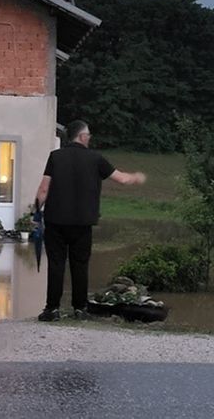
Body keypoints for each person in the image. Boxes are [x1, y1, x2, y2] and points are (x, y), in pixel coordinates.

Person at [35, 120, 146, 321]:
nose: (90, 138)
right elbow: (121, 179)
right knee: (80, 265)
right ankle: (80, 308)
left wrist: (36, 212)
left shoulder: (56, 157)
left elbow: (44, 189)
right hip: (83, 222)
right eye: (89, 135)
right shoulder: (95, 159)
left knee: (56, 264)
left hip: (56, 221)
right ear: (82, 136)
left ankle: (52, 309)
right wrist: (137, 177)